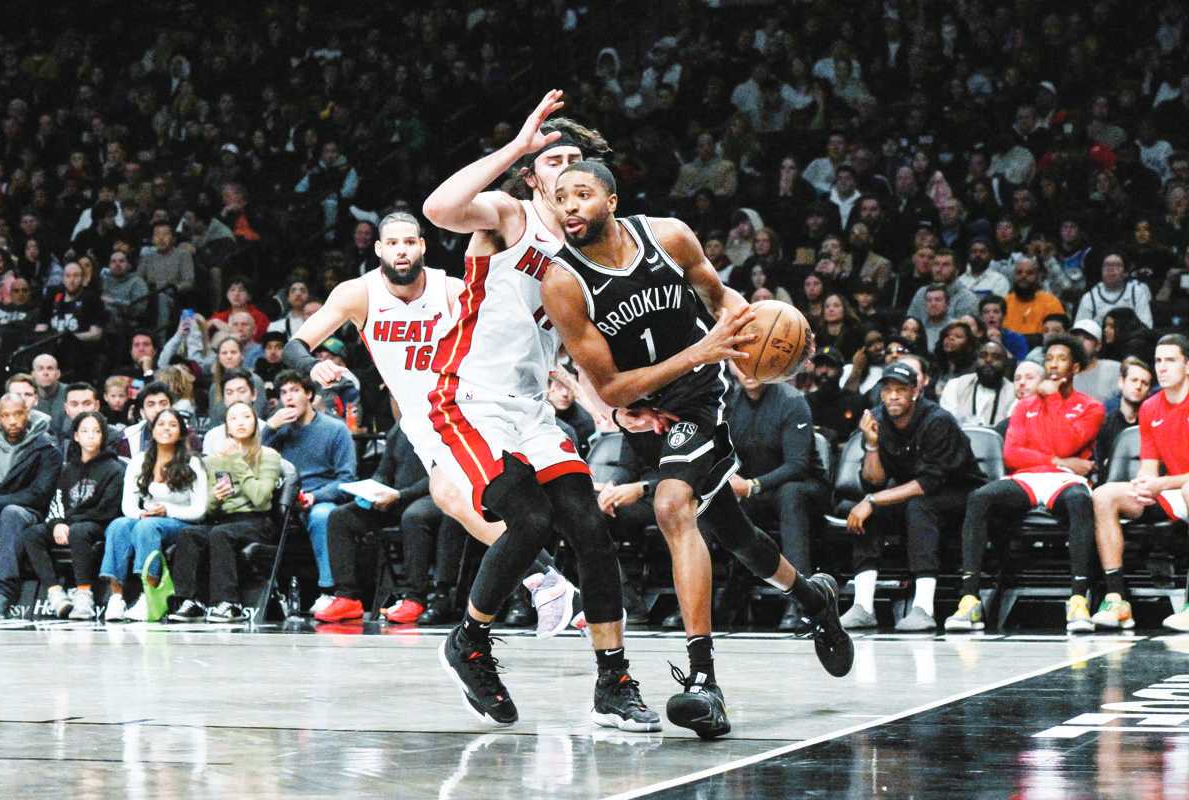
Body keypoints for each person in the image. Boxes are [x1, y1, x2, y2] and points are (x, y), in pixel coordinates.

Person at [543, 158, 852, 739]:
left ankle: (703, 680)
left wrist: (770, 330)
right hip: (647, 410)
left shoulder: (668, 236)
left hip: (702, 398)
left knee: (672, 505)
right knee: (731, 532)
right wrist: (699, 351)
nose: (570, 206)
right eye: (560, 199)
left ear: (611, 201)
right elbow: (610, 388)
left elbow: (721, 300)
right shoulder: (562, 281)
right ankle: (811, 596)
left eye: (581, 193)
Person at [422, 94, 658, 731]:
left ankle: (613, 682)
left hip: (530, 407)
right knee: (525, 518)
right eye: (554, 158)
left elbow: (575, 346)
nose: (566, 167)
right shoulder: (507, 213)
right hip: (467, 398)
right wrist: (520, 142)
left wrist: (609, 409)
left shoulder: (586, 249)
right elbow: (437, 208)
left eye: (576, 158)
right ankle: (469, 642)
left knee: (587, 524)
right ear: (533, 174)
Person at [283, 211, 581, 639]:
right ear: (380, 249)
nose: (402, 250)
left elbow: (505, 328)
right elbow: (297, 345)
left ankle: (546, 582)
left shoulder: (450, 289)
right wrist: (313, 368)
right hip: (420, 419)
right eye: (394, 243)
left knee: (456, 494)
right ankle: (548, 579)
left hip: (466, 401)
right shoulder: (357, 294)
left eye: (410, 242)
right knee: (453, 500)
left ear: (422, 246)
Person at [945, 335, 1105, 633]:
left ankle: (1078, 600)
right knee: (980, 497)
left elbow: (1067, 440)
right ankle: (969, 600)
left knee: (1080, 501)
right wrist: (1061, 460)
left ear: (1076, 367)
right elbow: (1011, 454)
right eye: (1049, 359)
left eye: (1061, 359)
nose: (1053, 364)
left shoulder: (1091, 407)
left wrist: (1055, 400)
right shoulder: (1024, 406)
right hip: (1028, 478)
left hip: (1066, 481)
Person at [841, 362, 987, 632]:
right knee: (864, 510)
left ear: (915, 393)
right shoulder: (876, 419)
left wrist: (873, 500)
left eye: (901, 390)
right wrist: (872, 444)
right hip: (913, 492)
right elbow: (875, 481)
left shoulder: (937, 421)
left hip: (962, 493)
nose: (893, 396)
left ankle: (923, 607)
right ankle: (863, 606)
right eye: (887, 390)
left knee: (917, 506)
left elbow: (928, 483)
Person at [317, 423, 464, 625]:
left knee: (414, 516)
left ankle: (415, 597)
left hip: (433, 496)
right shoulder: (400, 428)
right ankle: (347, 596)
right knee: (340, 516)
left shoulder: (442, 425)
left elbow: (440, 475)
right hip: (396, 498)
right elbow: (385, 470)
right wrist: (374, 489)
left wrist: (399, 495)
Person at [1091, 335, 1189, 632]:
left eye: (1170, 360)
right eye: (1158, 360)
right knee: (1104, 495)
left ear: (1187, 365)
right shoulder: (1149, 408)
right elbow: (1148, 467)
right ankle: (1116, 599)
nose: (1162, 367)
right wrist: (1143, 485)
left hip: (1182, 487)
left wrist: (1159, 484)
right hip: (1171, 490)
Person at [725, 363, 830, 632]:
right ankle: (720, 601)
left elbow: (798, 465)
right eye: (740, 364)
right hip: (755, 491)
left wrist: (751, 486)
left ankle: (800, 603)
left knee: (790, 494)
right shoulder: (728, 404)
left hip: (805, 489)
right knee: (711, 505)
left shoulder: (793, 401)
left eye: (754, 363)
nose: (747, 371)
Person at [168, 401, 282, 623]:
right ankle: (190, 601)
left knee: (221, 534)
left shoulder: (268, 455)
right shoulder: (212, 461)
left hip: (256, 520)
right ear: (226, 427)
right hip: (222, 521)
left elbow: (260, 498)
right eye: (234, 418)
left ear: (256, 423)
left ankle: (229, 603)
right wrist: (215, 498)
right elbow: (207, 508)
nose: (240, 422)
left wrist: (236, 461)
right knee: (189, 535)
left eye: (246, 417)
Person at [99, 408, 208, 622]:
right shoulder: (139, 461)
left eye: (172, 425)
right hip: (147, 520)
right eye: (161, 424)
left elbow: (199, 510)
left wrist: (167, 510)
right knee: (118, 525)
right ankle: (116, 598)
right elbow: (128, 506)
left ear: (181, 432)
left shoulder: (192, 463)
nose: (166, 428)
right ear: (152, 429)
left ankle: (149, 596)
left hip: (180, 523)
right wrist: (142, 514)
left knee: (146, 528)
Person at [261, 370, 356, 616]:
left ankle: (328, 591)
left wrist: (317, 496)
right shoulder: (278, 431)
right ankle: (263, 596)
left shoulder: (335, 429)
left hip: (320, 497)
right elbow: (252, 458)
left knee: (322, 515)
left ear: (310, 395)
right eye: (283, 392)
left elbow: (346, 478)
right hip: (283, 498)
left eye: (295, 391)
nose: (288, 398)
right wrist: (269, 428)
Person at [20, 411, 124, 619]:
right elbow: (56, 499)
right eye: (85, 431)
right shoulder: (68, 469)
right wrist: (58, 523)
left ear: (103, 435)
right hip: (68, 524)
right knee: (32, 534)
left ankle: (84, 594)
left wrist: (69, 522)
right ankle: (55, 593)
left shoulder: (115, 468)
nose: (91, 435)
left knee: (78, 531)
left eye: (96, 431)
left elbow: (108, 509)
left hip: (96, 525)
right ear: (76, 436)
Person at [0, 395, 62, 619]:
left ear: (27, 414)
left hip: (30, 516)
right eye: (6, 415)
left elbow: (37, 496)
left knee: (12, 513)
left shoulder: (47, 449)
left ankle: (3, 592)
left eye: (17, 414)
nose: (12, 421)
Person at [939, 340, 1016, 427]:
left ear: (1005, 364)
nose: (988, 360)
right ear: (976, 361)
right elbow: (948, 424)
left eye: (996, 357)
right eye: (983, 356)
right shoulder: (955, 385)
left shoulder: (1014, 393)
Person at [1095, 357, 1153, 468]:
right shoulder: (1104, 424)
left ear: (1149, 391)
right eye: (1134, 380)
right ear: (1121, 382)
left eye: (1144, 383)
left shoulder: (1153, 425)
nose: (1138, 386)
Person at [1075, 253, 1154, 328]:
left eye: (1117, 265)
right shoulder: (1089, 298)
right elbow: (1080, 331)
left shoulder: (1137, 292)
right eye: (1106, 265)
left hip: (1132, 340)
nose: (1110, 269)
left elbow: (1146, 326)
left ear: (1125, 273)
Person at [807, 345, 868, 442]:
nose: (824, 371)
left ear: (841, 371)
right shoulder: (806, 402)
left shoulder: (855, 402)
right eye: (819, 366)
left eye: (830, 366)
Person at [202, 369, 268, 455]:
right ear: (223, 398)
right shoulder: (212, 436)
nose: (236, 397)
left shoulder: (267, 430)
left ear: (254, 394)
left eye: (241, 391)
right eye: (229, 393)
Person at [208, 337, 267, 424]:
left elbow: (259, 416)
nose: (229, 356)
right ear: (218, 357)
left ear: (241, 355)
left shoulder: (255, 381)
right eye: (224, 353)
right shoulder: (214, 387)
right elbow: (214, 422)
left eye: (233, 352)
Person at [1004, 257, 1065, 338]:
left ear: (1038, 277)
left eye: (1029, 273)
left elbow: (1057, 335)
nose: (1023, 276)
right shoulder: (1004, 302)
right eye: (1019, 272)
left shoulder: (1051, 302)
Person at [1070, 319, 1122, 402]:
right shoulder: (1064, 373)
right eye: (1075, 337)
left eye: (1087, 338)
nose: (1079, 342)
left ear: (1098, 346)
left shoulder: (1115, 369)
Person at [979, 294, 1029, 362]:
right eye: (986, 312)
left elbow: (1019, 366)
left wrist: (998, 343)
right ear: (981, 317)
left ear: (1004, 315)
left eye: (996, 312)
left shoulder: (1017, 339)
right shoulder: (975, 337)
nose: (991, 315)